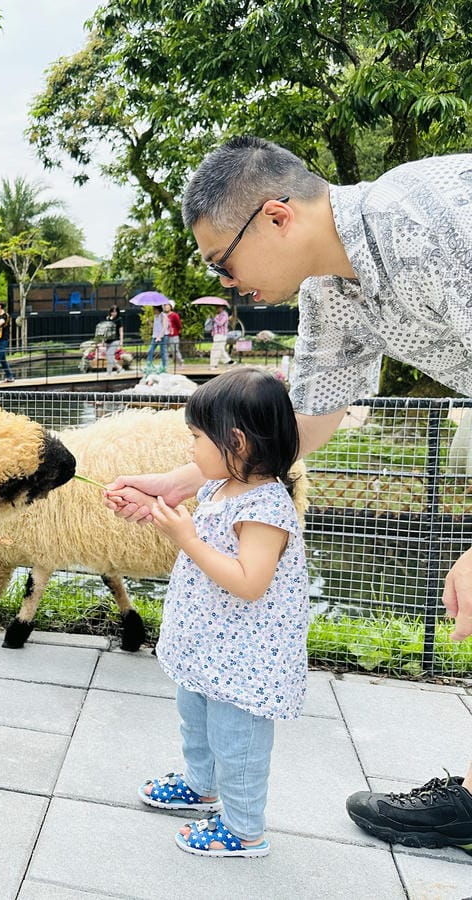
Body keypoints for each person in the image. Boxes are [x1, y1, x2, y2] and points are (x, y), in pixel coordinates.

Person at [106, 135, 472, 854]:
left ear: (276, 216)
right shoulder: (329, 293)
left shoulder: (425, 225)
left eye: (223, 261)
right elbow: (301, 425)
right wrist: (182, 481)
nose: (229, 281)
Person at [138, 368, 307, 858]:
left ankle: (243, 827)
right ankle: (200, 784)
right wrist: (156, 509)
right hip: (209, 642)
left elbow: (250, 584)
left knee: (238, 742)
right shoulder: (218, 487)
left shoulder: (265, 508)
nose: (190, 450)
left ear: (236, 440)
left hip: (245, 658)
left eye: (196, 437)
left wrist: (185, 539)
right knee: (196, 718)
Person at [95, 306, 124, 374]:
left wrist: (121, 341)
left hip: (115, 340)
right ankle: (112, 371)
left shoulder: (119, 319)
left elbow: (121, 331)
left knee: (109, 354)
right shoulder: (107, 319)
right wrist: (103, 341)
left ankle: (116, 369)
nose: (114, 313)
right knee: (109, 357)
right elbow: (105, 331)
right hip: (108, 340)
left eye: (115, 311)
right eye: (112, 311)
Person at [145, 304, 169, 371]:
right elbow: (154, 327)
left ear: (158, 309)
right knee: (150, 350)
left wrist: (160, 337)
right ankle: (148, 365)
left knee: (162, 352)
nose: (153, 310)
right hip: (155, 336)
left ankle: (164, 367)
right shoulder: (155, 316)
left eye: (154, 309)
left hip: (163, 336)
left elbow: (164, 327)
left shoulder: (163, 316)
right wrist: (149, 322)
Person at [166, 303, 184, 368]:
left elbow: (179, 325)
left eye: (168, 306)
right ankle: (166, 364)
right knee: (165, 350)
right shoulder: (164, 315)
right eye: (165, 306)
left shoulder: (174, 315)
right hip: (166, 335)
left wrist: (175, 331)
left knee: (175, 350)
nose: (166, 307)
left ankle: (180, 363)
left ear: (171, 307)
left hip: (174, 335)